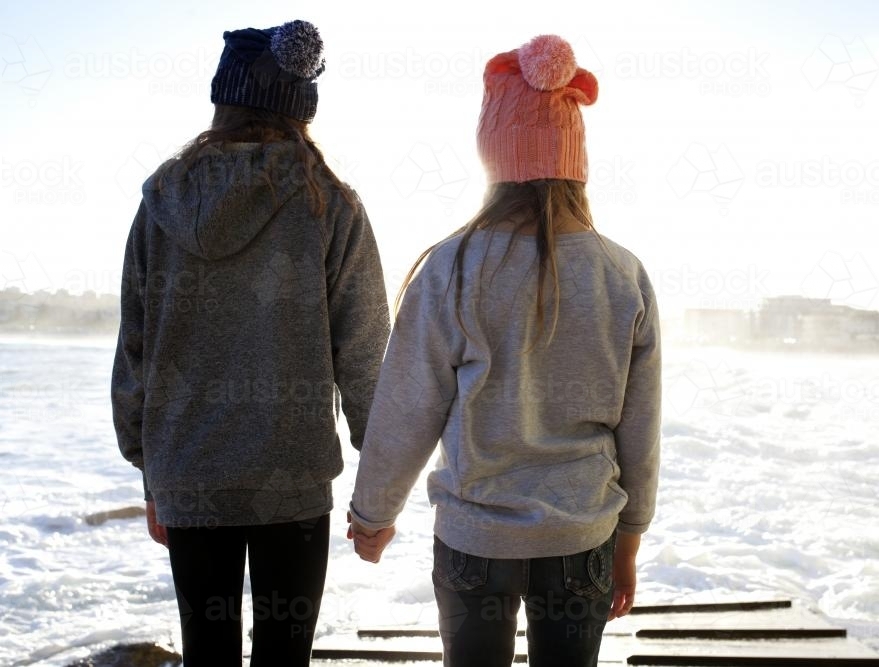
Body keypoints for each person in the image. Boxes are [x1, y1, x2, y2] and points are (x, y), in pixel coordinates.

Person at [348, 34, 661, 667]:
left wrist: (374, 512)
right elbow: (641, 427)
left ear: (493, 157)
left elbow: (410, 403)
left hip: (475, 539)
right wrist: (629, 539)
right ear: (576, 160)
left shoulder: (450, 267)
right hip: (583, 533)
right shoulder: (622, 274)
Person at [111, 20, 390, 667]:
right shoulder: (330, 203)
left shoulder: (162, 201)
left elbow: (136, 349)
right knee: (284, 655)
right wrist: (380, 479)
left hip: (189, 473)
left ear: (224, 99)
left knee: (206, 655)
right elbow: (366, 352)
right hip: (289, 478)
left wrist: (152, 470)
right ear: (300, 106)